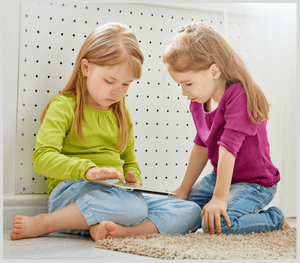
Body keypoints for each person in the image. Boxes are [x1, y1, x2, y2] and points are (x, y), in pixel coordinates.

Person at [10, 22, 201, 241]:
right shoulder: (64, 106)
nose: (117, 92)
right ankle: (46, 222)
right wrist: (88, 171)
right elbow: (42, 159)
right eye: (110, 81)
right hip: (71, 191)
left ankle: (119, 231)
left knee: (191, 211)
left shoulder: (121, 113)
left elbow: (129, 161)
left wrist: (133, 178)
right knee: (132, 208)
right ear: (85, 68)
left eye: (125, 84)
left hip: (116, 195)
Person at [163, 22, 291, 235]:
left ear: (213, 71)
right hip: (222, 177)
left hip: (255, 183)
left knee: (216, 224)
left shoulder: (239, 95)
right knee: (183, 209)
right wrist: (183, 190)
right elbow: (201, 145)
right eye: (180, 85)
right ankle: (227, 203)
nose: (184, 92)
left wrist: (219, 198)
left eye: (188, 83)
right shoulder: (199, 100)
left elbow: (227, 149)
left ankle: (274, 218)